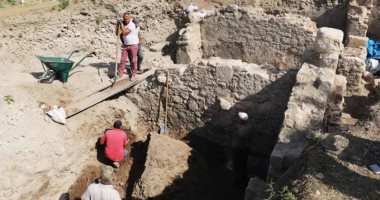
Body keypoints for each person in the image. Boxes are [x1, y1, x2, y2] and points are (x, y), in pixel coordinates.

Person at [231, 112, 252, 186]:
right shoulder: (249, 127)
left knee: (237, 167)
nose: (236, 119)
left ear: (240, 120)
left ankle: (238, 183)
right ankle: (244, 180)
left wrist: (234, 153)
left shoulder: (239, 133)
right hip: (246, 149)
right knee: (243, 166)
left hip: (239, 152)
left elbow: (236, 146)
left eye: (237, 118)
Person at [117, 12, 139, 79]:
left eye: (127, 18)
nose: (126, 20)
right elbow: (117, 33)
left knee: (133, 60)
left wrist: (121, 24)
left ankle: (134, 73)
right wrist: (118, 25)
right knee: (122, 60)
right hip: (126, 45)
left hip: (133, 45)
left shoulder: (132, 25)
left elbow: (124, 32)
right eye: (124, 19)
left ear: (129, 18)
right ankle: (120, 74)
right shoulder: (123, 24)